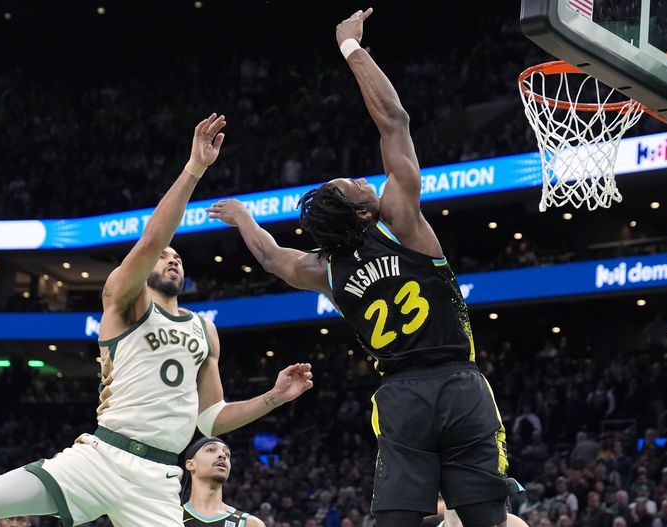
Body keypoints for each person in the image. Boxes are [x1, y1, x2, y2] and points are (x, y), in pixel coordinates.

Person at [0, 114, 314, 527]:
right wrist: (194, 169)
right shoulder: (124, 299)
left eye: (178, 258)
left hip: (158, 479)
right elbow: (153, 238)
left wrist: (274, 397)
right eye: (165, 256)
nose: (172, 258)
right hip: (103, 457)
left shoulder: (204, 330)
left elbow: (211, 418)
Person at [207, 9, 510, 527]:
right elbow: (394, 120)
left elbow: (270, 257)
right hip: (460, 383)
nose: (364, 180)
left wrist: (242, 218)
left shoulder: (324, 268)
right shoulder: (400, 221)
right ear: (361, 210)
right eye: (355, 184)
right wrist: (351, 47)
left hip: (399, 396)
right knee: (489, 520)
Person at [181, 436, 266, 527]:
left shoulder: (250, 524)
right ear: (190, 464)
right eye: (211, 450)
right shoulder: (173, 517)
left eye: (227, 454)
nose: (222, 455)